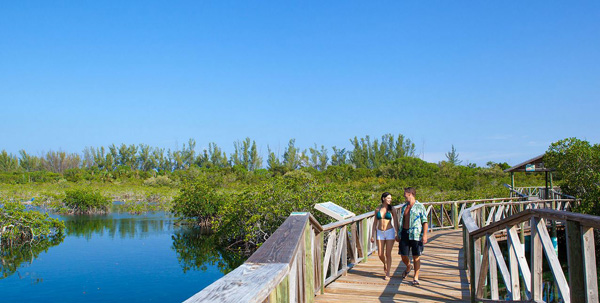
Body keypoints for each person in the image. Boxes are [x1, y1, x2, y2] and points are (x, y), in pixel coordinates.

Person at [396, 187, 428, 286]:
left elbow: (425, 221)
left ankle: (416, 277)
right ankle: (408, 266)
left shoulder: (420, 206)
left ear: (410, 194)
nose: (404, 195)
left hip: (416, 234)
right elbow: (401, 222)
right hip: (404, 233)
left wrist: (425, 235)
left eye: (405, 194)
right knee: (403, 255)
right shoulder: (404, 207)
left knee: (416, 256)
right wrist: (398, 234)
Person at [370, 192, 398, 280]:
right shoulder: (378, 209)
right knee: (380, 254)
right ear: (383, 198)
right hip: (380, 232)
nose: (390, 200)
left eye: (391, 198)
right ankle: (385, 263)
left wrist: (397, 233)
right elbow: (375, 222)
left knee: (388, 253)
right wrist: (372, 235)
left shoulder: (392, 209)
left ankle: (388, 273)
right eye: (388, 198)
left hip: (390, 231)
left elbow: (396, 221)